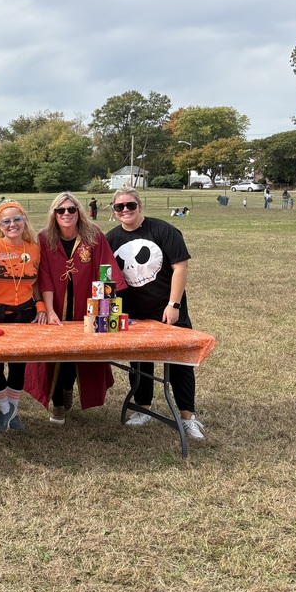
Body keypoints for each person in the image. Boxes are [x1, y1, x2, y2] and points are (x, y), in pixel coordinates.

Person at [106, 187, 204, 440]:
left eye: (130, 205)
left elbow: (180, 267)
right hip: (133, 313)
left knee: (179, 361)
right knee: (139, 362)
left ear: (140, 206)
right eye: (119, 207)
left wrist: (174, 304)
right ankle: (143, 409)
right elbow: (107, 278)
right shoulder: (111, 239)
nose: (125, 210)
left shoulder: (163, 230)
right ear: (114, 211)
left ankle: (188, 417)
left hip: (167, 310)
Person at [24, 192, 127, 424]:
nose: (66, 213)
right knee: (55, 354)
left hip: (87, 305)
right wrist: (49, 311)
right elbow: (44, 277)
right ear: (54, 214)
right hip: (56, 305)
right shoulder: (44, 239)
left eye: (71, 209)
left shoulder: (93, 236)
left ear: (79, 212)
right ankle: (58, 402)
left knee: (79, 353)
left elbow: (106, 269)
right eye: (61, 210)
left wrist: (105, 309)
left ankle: (67, 388)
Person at [0, 201, 46, 433]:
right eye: (6, 221)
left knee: (18, 366)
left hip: (25, 313)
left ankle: (9, 412)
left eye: (17, 219)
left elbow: (36, 283)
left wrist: (40, 307)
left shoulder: (34, 248)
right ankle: (7, 411)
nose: (12, 224)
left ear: (24, 220)